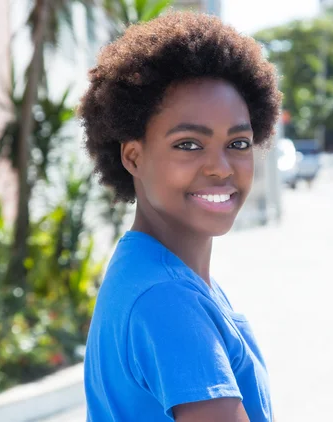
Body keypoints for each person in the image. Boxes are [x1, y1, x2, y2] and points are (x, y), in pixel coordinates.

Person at [79, 11, 282, 422]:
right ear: (134, 156)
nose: (221, 167)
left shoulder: (149, 269)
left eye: (238, 142)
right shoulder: (167, 298)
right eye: (189, 144)